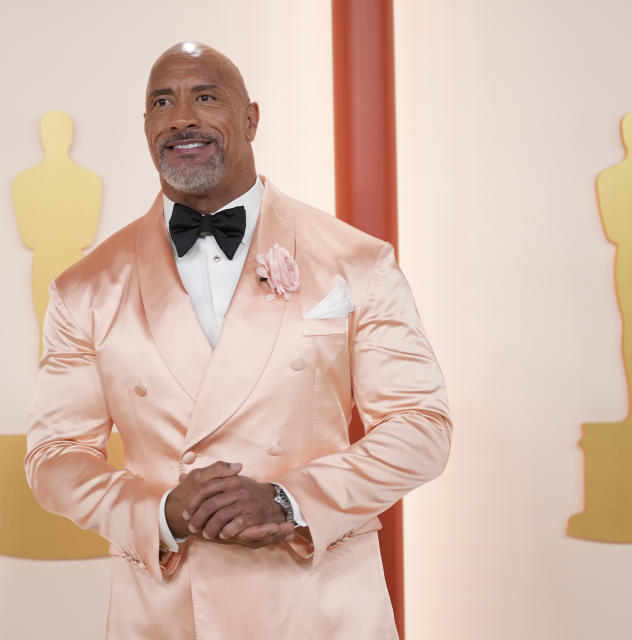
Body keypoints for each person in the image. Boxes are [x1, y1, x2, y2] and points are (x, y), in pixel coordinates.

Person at [25, 41, 452, 639]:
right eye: (162, 102)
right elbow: (53, 458)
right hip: (167, 615)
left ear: (250, 118)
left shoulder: (356, 261)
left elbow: (421, 426)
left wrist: (291, 500)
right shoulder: (85, 288)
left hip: (322, 608)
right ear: (146, 126)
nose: (181, 117)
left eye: (205, 96)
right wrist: (160, 513)